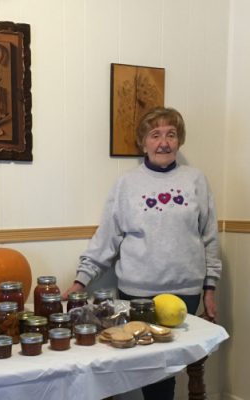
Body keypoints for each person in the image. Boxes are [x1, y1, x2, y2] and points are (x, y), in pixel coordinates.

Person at [62, 107, 222, 400]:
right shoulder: (127, 184)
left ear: (180, 140)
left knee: (172, 368)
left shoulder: (196, 180)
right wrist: (80, 282)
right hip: (138, 295)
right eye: (155, 135)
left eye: (171, 135)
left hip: (184, 292)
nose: (164, 142)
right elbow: (107, 238)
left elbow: (210, 238)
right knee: (152, 372)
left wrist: (210, 288)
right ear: (143, 142)